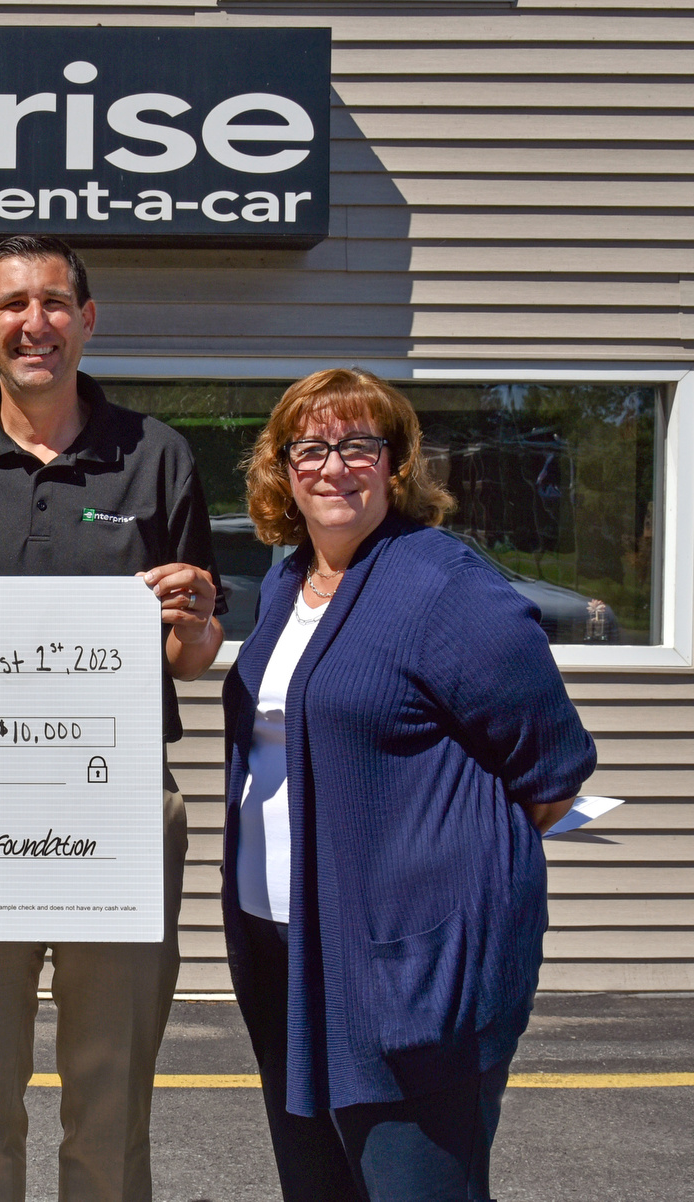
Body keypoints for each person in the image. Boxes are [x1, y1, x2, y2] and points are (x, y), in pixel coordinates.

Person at [0, 234, 226, 1202]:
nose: (38, 323)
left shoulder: (156, 454)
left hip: (116, 809)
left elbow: (189, 656)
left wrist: (196, 625)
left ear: (89, 319)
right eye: (15, 304)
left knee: (111, 1097)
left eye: (58, 302)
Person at [222, 368, 596, 1201]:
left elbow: (552, 773)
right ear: (281, 468)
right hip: (289, 956)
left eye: (361, 445)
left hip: (405, 981)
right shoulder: (291, 581)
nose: (335, 465)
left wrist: (440, 888)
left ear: (395, 464)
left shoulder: (444, 586)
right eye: (311, 447)